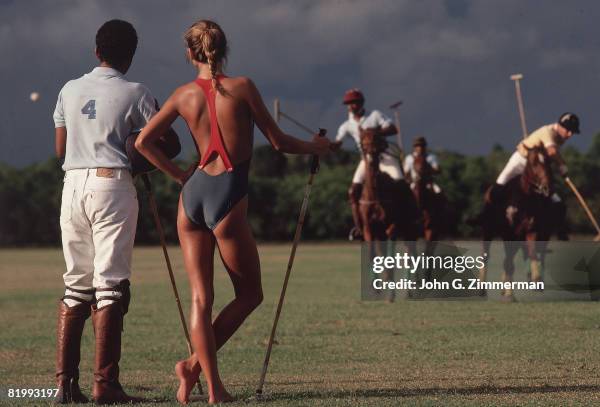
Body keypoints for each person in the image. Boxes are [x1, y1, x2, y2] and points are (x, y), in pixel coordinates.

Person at [135, 20, 332, 404]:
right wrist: (316, 147)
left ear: (190, 54)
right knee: (250, 293)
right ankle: (199, 375)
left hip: (191, 197)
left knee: (200, 299)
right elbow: (278, 142)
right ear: (223, 50)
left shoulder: (181, 95)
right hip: (228, 193)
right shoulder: (242, 87)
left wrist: (178, 175)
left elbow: (143, 142)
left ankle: (203, 377)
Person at [53, 20, 156, 403]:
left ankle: (65, 386)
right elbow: (159, 142)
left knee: (75, 284)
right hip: (112, 184)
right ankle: (106, 385)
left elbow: (60, 149)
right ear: (130, 55)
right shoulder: (138, 92)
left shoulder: (68, 89)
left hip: (72, 184)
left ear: (96, 51)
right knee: (110, 285)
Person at [333, 89, 402, 239]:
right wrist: (331, 145)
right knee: (353, 191)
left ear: (361, 103)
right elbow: (338, 141)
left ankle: (405, 218)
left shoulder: (375, 115)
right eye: (348, 103)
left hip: (385, 157)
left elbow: (393, 128)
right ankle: (358, 228)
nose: (351, 106)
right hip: (366, 160)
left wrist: (375, 132)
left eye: (354, 103)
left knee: (400, 182)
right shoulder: (347, 125)